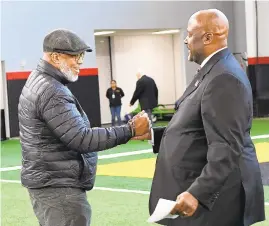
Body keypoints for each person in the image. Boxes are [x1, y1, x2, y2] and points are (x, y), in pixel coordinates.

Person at [133, 9, 265, 226]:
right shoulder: (213, 71)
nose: (185, 40)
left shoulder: (224, 77)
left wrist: (198, 192)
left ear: (207, 37)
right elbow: (197, 126)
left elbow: (227, 146)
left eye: (189, 33)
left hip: (217, 204)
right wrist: (154, 135)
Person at [18, 28, 150, 226]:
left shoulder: (40, 80)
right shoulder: (52, 90)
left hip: (50, 182)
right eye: (76, 57)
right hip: (58, 187)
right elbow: (81, 138)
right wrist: (129, 129)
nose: (80, 64)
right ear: (55, 57)